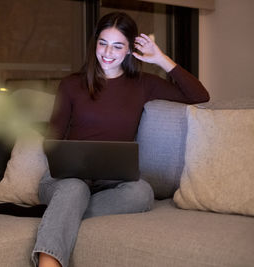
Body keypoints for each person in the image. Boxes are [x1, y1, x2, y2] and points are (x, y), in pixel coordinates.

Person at [31, 12, 210, 267]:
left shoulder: (143, 84)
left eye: (118, 46)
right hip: (64, 180)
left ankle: (63, 213)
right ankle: (48, 262)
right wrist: (65, 160)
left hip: (110, 182)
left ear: (129, 50)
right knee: (74, 189)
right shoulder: (71, 85)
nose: (107, 52)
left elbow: (200, 96)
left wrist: (160, 58)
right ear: (95, 43)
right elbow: (52, 138)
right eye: (103, 43)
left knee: (142, 193)